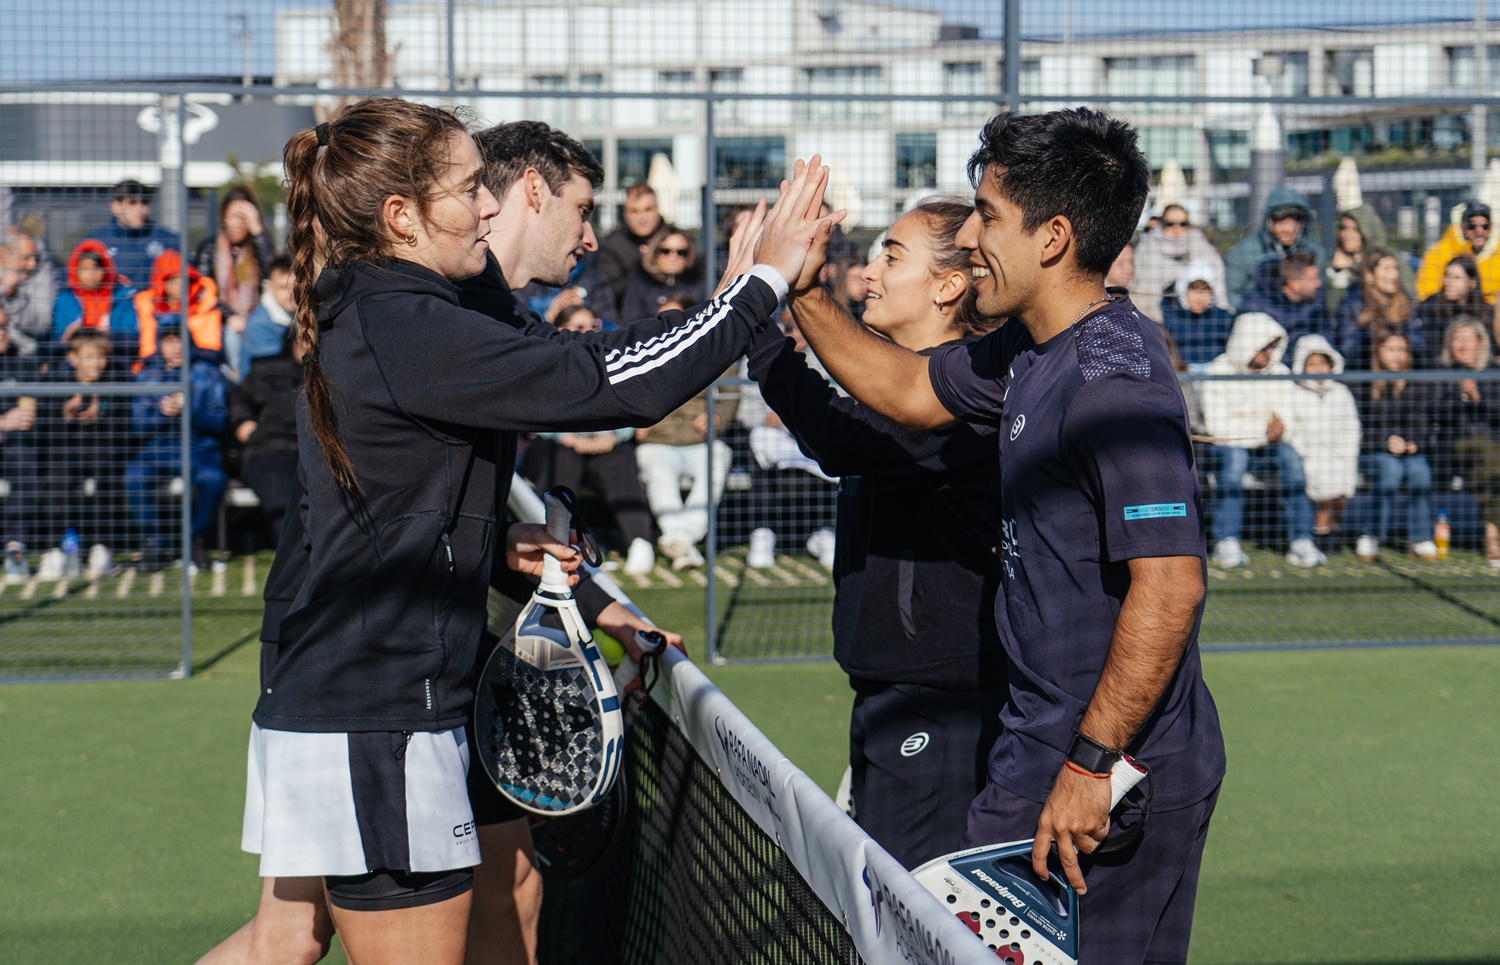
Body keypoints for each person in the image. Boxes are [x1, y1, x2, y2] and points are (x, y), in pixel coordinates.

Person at [208, 99, 833, 965]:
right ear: (403, 216)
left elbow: (401, 492)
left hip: (357, 694)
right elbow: (608, 381)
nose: (488, 206)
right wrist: (756, 289)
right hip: (378, 709)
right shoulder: (409, 321)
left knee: (288, 940)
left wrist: (497, 545)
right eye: (470, 189)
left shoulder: (412, 307)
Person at [781, 109, 1224, 964]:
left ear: (1054, 236)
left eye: (987, 215)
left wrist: (1093, 765)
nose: (970, 234)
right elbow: (908, 389)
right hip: (1034, 758)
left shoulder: (1116, 382)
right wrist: (801, 292)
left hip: (1114, 782)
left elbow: (1170, 586)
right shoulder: (1027, 346)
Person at [742, 196, 1006, 867]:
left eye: (891, 255)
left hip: (941, 698)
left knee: (915, 913)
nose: (868, 273)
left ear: (949, 286)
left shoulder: (967, 389)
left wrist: (766, 313)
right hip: (891, 687)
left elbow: (835, 434)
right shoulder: (911, 381)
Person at [520, 304, 659, 578]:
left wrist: (612, 436)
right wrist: (568, 438)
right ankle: (557, 541)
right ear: (559, 329)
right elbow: (531, 411)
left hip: (603, 443)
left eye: (591, 326)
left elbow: (628, 409)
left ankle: (640, 540)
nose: (587, 332)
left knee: (619, 460)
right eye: (578, 326)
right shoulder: (543, 362)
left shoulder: (608, 361)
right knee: (563, 464)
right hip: (559, 444)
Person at [1201, 313, 1324, 568]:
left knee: (1291, 458)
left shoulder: (1280, 371)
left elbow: (1284, 419)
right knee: (1235, 459)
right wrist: (1263, 430)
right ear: (1249, 341)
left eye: (1273, 346)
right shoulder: (1217, 370)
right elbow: (1219, 427)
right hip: (1230, 447)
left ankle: (1302, 540)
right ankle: (1226, 541)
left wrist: (1279, 429)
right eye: (1265, 345)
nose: (1271, 352)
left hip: (1268, 447)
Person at [125, 318, 230, 571]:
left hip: (200, 449)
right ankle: (155, 544)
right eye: (169, 340)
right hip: (158, 451)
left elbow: (221, 422)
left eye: (180, 339)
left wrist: (189, 409)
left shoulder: (207, 373)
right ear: (160, 344)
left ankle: (195, 540)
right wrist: (162, 413)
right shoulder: (148, 375)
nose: (176, 347)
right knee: (133, 477)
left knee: (213, 479)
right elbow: (137, 425)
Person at [35, 328, 129, 580]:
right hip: (67, 452)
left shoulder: (117, 378)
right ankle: (57, 548)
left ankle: (102, 548)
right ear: (73, 358)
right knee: (57, 478)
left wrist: (104, 409)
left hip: (105, 453)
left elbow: (126, 424)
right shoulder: (56, 380)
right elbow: (42, 429)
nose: (97, 363)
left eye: (101, 356)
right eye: (89, 357)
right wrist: (64, 415)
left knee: (108, 474)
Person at [1355, 333, 1437, 561]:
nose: (1396, 355)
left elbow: (1424, 423)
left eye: (1401, 349)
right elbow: (1356, 427)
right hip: (1373, 451)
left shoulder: (1416, 383)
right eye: (1390, 349)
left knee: (1419, 471)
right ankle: (1371, 535)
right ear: (1378, 352)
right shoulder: (1364, 383)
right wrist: (1385, 441)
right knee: (1390, 470)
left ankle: (1420, 538)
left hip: (1409, 451)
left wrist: (1413, 442)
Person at [1434, 317, 1500, 567]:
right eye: (1456, 339)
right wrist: (1460, 397)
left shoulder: (1492, 371)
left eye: (1467, 339)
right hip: (1456, 444)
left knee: (1492, 459)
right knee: (1488, 458)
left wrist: (1477, 398)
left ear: (1480, 343)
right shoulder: (1441, 372)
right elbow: (1434, 413)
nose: (1461, 345)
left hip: (1493, 443)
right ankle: (1493, 536)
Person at [1285, 335, 1361, 545]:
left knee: (1342, 486)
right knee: (1319, 486)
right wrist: (1304, 450)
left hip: (1340, 452)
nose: (1318, 368)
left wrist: (1346, 452)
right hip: (1309, 453)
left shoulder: (1341, 392)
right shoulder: (1295, 393)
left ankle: (1334, 525)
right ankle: (1321, 529)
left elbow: (1352, 426)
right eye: (1312, 364)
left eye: (1322, 363)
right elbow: (1292, 427)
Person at [194, 186, 277, 376]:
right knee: (232, 335)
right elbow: (202, 292)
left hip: (257, 319)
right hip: (220, 323)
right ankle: (238, 380)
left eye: (244, 218)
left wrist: (258, 232)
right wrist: (229, 316)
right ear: (224, 217)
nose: (239, 223)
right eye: (234, 216)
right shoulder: (209, 248)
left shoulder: (258, 247)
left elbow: (275, 274)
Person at [229, 328, 302, 539]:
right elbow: (240, 396)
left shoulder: (328, 372)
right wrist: (242, 423)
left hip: (309, 453)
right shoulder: (266, 370)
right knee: (282, 503)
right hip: (268, 451)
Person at [1224, 186, 1325, 309]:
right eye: (1281, 222)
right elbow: (1233, 293)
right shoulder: (1245, 251)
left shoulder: (1313, 251)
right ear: (1269, 221)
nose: (1288, 229)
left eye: (1294, 222)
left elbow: (1319, 292)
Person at [0, 304, 41, 582]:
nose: (2, 333)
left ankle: (15, 547)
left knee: (24, 455)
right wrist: (3, 423)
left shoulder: (22, 362)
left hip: (14, 447)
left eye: (4, 326)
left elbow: (27, 415)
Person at [1130, 204, 1227, 322]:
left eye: (1183, 224)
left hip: (1200, 315)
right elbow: (1144, 286)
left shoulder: (1200, 243)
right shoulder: (1147, 248)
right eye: (1170, 224)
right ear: (1161, 224)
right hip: (1156, 313)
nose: (1176, 228)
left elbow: (1218, 283)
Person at [83, 179, 182, 291]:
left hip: (155, 307)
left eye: (144, 202)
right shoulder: (95, 243)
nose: (139, 209)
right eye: (132, 203)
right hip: (114, 307)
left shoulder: (169, 240)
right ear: (116, 207)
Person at [1334, 248, 1422, 370]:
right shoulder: (1352, 306)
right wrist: (1379, 348)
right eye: (1387, 269)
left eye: (1395, 268)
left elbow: (1418, 345)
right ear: (1369, 275)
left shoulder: (1405, 302)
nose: (1394, 274)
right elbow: (1348, 350)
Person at [133, 248, 224, 360]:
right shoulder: (146, 308)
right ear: (161, 283)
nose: (180, 285)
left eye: (184, 279)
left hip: (196, 364)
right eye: (173, 280)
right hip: (160, 366)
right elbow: (147, 349)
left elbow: (210, 349)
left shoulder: (206, 306)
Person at [51, 239, 140, 351]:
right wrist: (66, 337)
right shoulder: (65, 299)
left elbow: (132, 339)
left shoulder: (122, 297)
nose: (91, 273)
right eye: (84, 268)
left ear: (106, 269)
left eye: (96, 267)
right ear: (75, 270)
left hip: (113, 359)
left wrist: (110, 338)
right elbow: (53, 346)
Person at [1325, 206, 1413, 315]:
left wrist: (1352, 265)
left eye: (1354, 229)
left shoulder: (1388, 258)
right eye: (1344, 228)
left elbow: (1410, 294)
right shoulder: (1336, 261)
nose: (1346, 235)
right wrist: (1337, 273)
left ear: (1366, 232)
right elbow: (1330, 308)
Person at [1237, 251, 1331, 347]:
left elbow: (1326, 337)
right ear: (1294, 284)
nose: (1318, 283)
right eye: (1312, 279)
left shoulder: (1317, 299)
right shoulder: (1254, 306)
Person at [595, 182, 664, 308]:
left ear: (657, 210)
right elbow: (610, 291)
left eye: (647, 209)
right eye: (634, 211)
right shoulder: (612, 245)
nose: (642, 218)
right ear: (625, 214)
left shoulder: (675, 240)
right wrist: (643, 265)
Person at [1415, 201, 1500, 302]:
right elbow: (1427, 295)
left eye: (1484, 226)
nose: (1479, 231)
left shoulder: (1497, 255)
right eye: (1472, 226)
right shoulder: (1437, 254)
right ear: (1462, 227)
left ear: (1491, 227)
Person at [619, 227, 705, 322]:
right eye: (666, 251)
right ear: (655, 253)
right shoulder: (640, 281)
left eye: (681, 252)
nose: (673, 257)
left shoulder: (697, 282)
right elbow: (631, 320)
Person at [1159, 260, 1234, 369]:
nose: (1199, 297)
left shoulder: (1223, 317)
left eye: (1204, 290)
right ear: (1184, 290)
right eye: (1194, 290)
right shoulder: (1169, 316)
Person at [1415, 255, 1485, 366]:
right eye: (1447, 276)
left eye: (1456, 278)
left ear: (1472, 283)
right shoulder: (1430, 307)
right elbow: (1428, 352)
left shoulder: (1484, 311)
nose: (1448, 282)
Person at [0, 224, 59, 356]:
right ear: (3, 255)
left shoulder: (42, 273)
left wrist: (13, 296)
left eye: (34, 257)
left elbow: (41, 325)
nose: (32, 264)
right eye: (25, 258)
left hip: (24, 357)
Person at [239, 255, 296, 376]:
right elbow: (272, 373)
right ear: (270, 288)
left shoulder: (299, 315)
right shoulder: (259, 324)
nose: (290, 294)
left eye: (295, 287)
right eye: (283, 287)